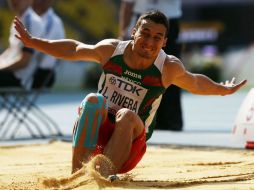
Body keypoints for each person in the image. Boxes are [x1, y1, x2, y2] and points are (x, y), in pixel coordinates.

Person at [13, 11, 247, 179]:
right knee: (93, 101)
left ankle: (100, 179)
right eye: (145, 33)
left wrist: (222, 89)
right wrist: (34, 42)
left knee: (126, 115)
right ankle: (77, 177)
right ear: (133, 32)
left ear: (164, 42)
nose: (149, 42)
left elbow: (195, 83)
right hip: (98, 135)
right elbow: (74, 49)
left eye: (157, 37)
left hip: (129, 147)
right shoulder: (111, 50)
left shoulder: (168, 67)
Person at [120, 0, 184, 131]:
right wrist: (123, 31)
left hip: (169, 21)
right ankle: (135, 117)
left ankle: (172, 120)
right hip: (143, 21)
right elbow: (127, 3)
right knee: (136, 72)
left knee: (170, 70)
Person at [0, 0, 43, 89]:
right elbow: (11, 50)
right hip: (12, 73)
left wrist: (2, 68)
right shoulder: (18, 20)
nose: (14, 1)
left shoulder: (32, 21)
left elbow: (24, 61)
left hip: (20, 78)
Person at [32, 0, 65, 88]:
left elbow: (38, 50)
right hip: (36, 71)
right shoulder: (35, 18)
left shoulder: (52, 21)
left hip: (40, 73)